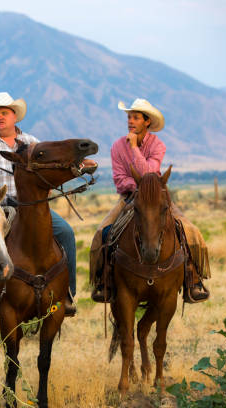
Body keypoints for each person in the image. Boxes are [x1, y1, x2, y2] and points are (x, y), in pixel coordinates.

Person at [0, 92, 97, 326]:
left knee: (66, 232)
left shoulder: (31, 143)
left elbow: (49, 167)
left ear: (15, 116)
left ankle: (66, 295)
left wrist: (74, 169)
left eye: (4, 113)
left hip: (30, 206)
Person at [89, 98, 210, 303]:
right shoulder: (117, 146)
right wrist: (138, 187)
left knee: (190, 230)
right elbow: (119, 180)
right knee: (102, 232)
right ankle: (104, 281)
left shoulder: (158, 145)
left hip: (157, 199)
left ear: (147, 122)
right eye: (129, 117)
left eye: (135, 117)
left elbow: (150, 173)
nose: (130, 121)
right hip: (129, 198)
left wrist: (135, 148)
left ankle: (193, 280)